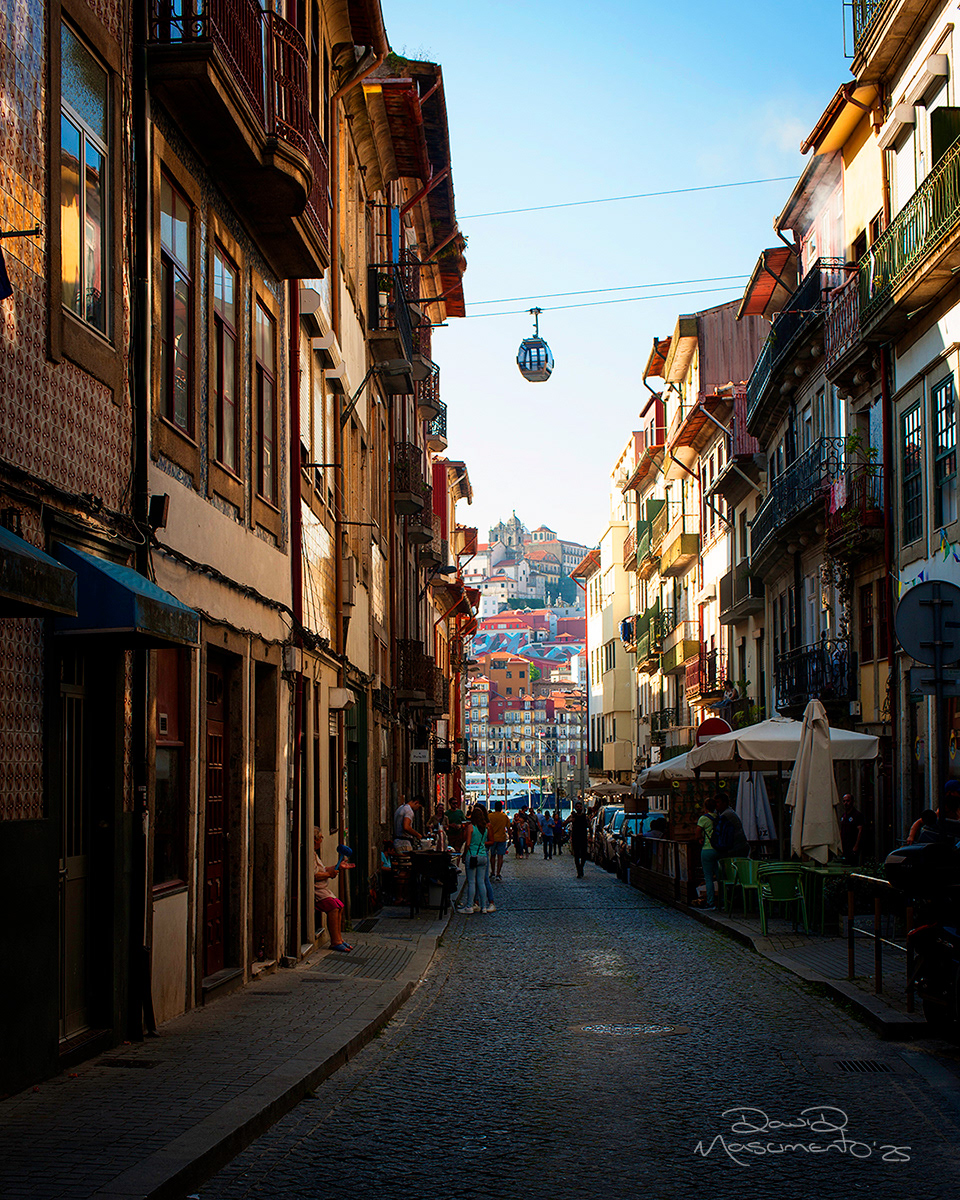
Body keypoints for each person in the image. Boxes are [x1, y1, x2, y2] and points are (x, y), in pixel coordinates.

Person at [314, 828, 354, 952]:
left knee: (340, 906)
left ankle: (339, 938)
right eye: (320, 837)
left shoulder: (314, 854)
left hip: (323, 889)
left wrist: (337, 867)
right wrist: (329, 874)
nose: (322, 840)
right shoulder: (310, 855)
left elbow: (323, 870)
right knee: (333, 907)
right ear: (315, 840)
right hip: (316, 890)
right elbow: (315, 875)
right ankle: (335, 941)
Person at [457, 804, 495, 914]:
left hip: (472, 855)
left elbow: (468, 843)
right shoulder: (485, 828)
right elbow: (487, 842)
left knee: (472, 882)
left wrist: (464, 854)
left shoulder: (471, 827)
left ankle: (469, 906)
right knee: (481, 882)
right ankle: (483, 907)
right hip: (483, 856)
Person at [697, 797, 720, 910]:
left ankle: (711, 902)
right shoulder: (719, 817)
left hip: (707, 849)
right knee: (720, 877)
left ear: (705, 807)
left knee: (709, 877)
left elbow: (697, 832)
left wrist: (700, 838)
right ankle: (723, 900)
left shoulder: (703, 819)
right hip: (719, 850)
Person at [714, 792, 749, 858]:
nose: (716, 805)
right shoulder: (721, 813)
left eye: (718, 802)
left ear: (724, 803)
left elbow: (718, 829)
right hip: (736, 847)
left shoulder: (727, 815)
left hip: (737, 848)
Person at [486, 800, 511, 880]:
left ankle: (492, 872)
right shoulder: (504, 816)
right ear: (501, 808)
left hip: (492, 838)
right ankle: (498, 873)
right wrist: (510, 838)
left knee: (492, 855)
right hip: (502, 838)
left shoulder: (490, 816)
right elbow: (508, 828)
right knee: (500, 857)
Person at [839, 793, 864, 865]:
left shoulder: (857, 815)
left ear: (852, 802)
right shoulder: (844, 816)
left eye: (847, 801)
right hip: (845, 846)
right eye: (844, 801)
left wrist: (856, 845)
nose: (845, 803)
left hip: (852, 845)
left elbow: (860, 830)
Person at [567, 799, 589, 878]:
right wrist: (570, 820)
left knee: (584, 855)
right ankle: (578, 870)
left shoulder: (585, 817)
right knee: (576, 855)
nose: (579, 808)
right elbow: (564, 823)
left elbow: (589, 825)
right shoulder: (573, 816)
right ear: (575, 808)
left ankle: (581, 867)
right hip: (576, 838)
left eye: (580, 807)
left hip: (583, 838)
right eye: (577, 807)